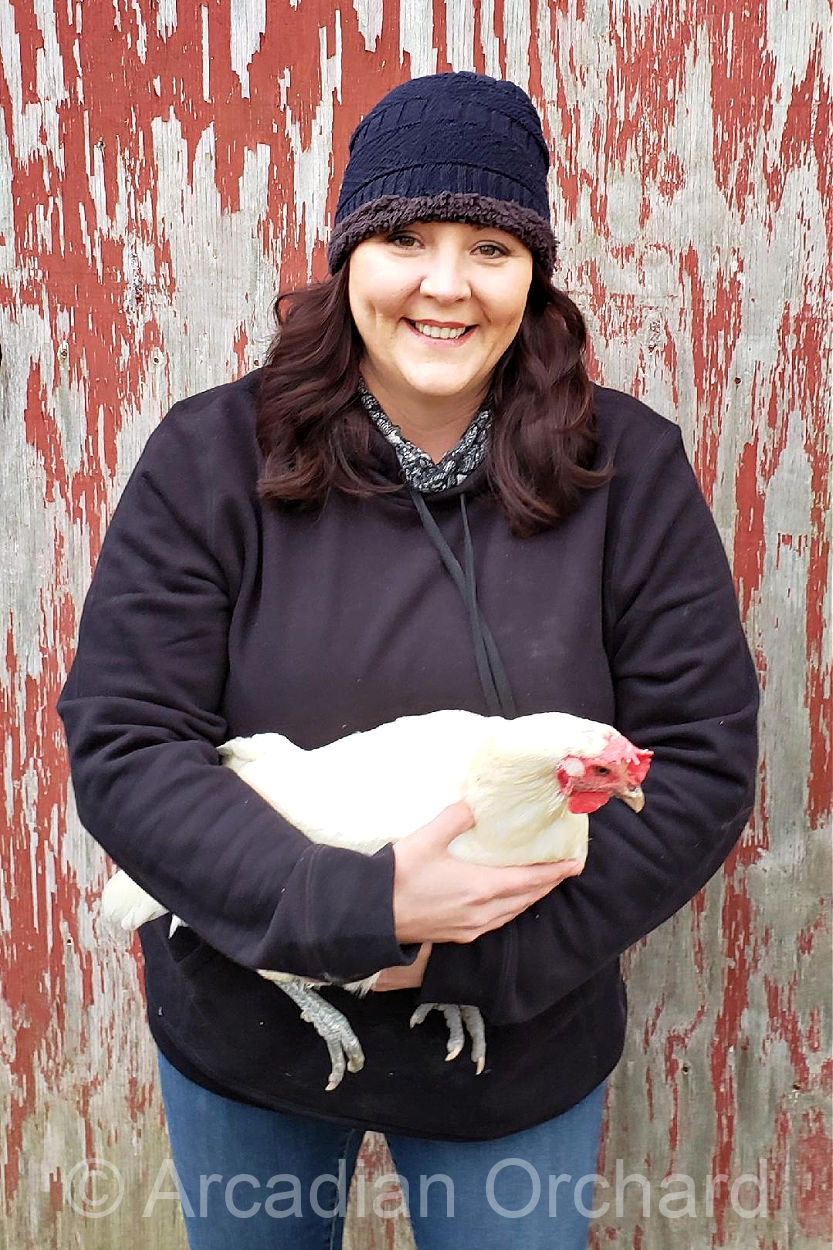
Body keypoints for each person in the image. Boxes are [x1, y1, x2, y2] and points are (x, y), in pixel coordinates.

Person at [57, 72, 759, 1249]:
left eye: (489, 244)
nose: (444, 283)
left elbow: (693, 759)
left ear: (532, 272)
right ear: (347, 261)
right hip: (249, 1014)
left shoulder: (623, 470)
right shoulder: (211, 459)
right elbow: (129, 745)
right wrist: (353, 910)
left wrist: (476, 953)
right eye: (403, 237)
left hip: (517, 1031)